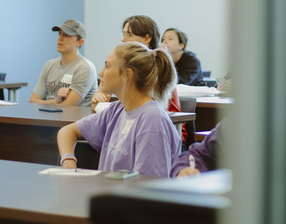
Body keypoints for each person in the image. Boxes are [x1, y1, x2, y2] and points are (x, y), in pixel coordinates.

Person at [57, 42, 181, 177]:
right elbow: (67, 131)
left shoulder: (152, 121)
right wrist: (68, 160)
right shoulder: (117, 109)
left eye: (107, 66)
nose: (101, 73)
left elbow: (147, 186)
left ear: (127, 74)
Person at [91, 15, 188, 140]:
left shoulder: (154, 68)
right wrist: (98, 98)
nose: (123, 39)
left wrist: (100, 106)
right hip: (133, 129)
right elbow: (102, 93)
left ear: (147, 38)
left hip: (162, 133)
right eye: (123, 34)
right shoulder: (122, 66)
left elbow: (141, 110)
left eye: (129, 35)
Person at [29, 19, 97, 107]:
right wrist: (54, 101)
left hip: (72, 120)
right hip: (47, 118)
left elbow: (67, 107)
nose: (60, 38)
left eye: (66, 35)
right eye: (59, 33)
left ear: (80, 42)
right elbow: (33, 101)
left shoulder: (85, 67)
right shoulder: (49, 65)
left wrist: (48, 104)